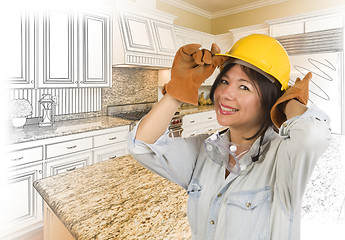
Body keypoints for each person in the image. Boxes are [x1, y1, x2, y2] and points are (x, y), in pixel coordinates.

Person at [127, 34, 332, 240]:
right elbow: (141, 145)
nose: (225, 94)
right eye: (224, 81)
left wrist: (289, 102)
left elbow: (313, 135)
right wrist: (177, 90)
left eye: (244, 86)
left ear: (272, 98)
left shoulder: (284, 158)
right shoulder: (204, 151)